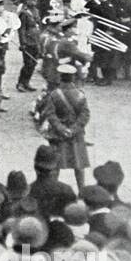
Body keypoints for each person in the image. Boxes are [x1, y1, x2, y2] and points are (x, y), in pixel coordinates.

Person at [42, 64, 89, 192]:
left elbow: (50, 114)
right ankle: (82, 191)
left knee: (55, 165)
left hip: (58, 135)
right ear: (73, 78)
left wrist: (61, 129)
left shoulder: (54, 95)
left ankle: (53, 190)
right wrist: (73, 129)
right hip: (76, 135)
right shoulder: (80, 95)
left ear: (60, 77)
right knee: (79, 165)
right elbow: (85, 115)